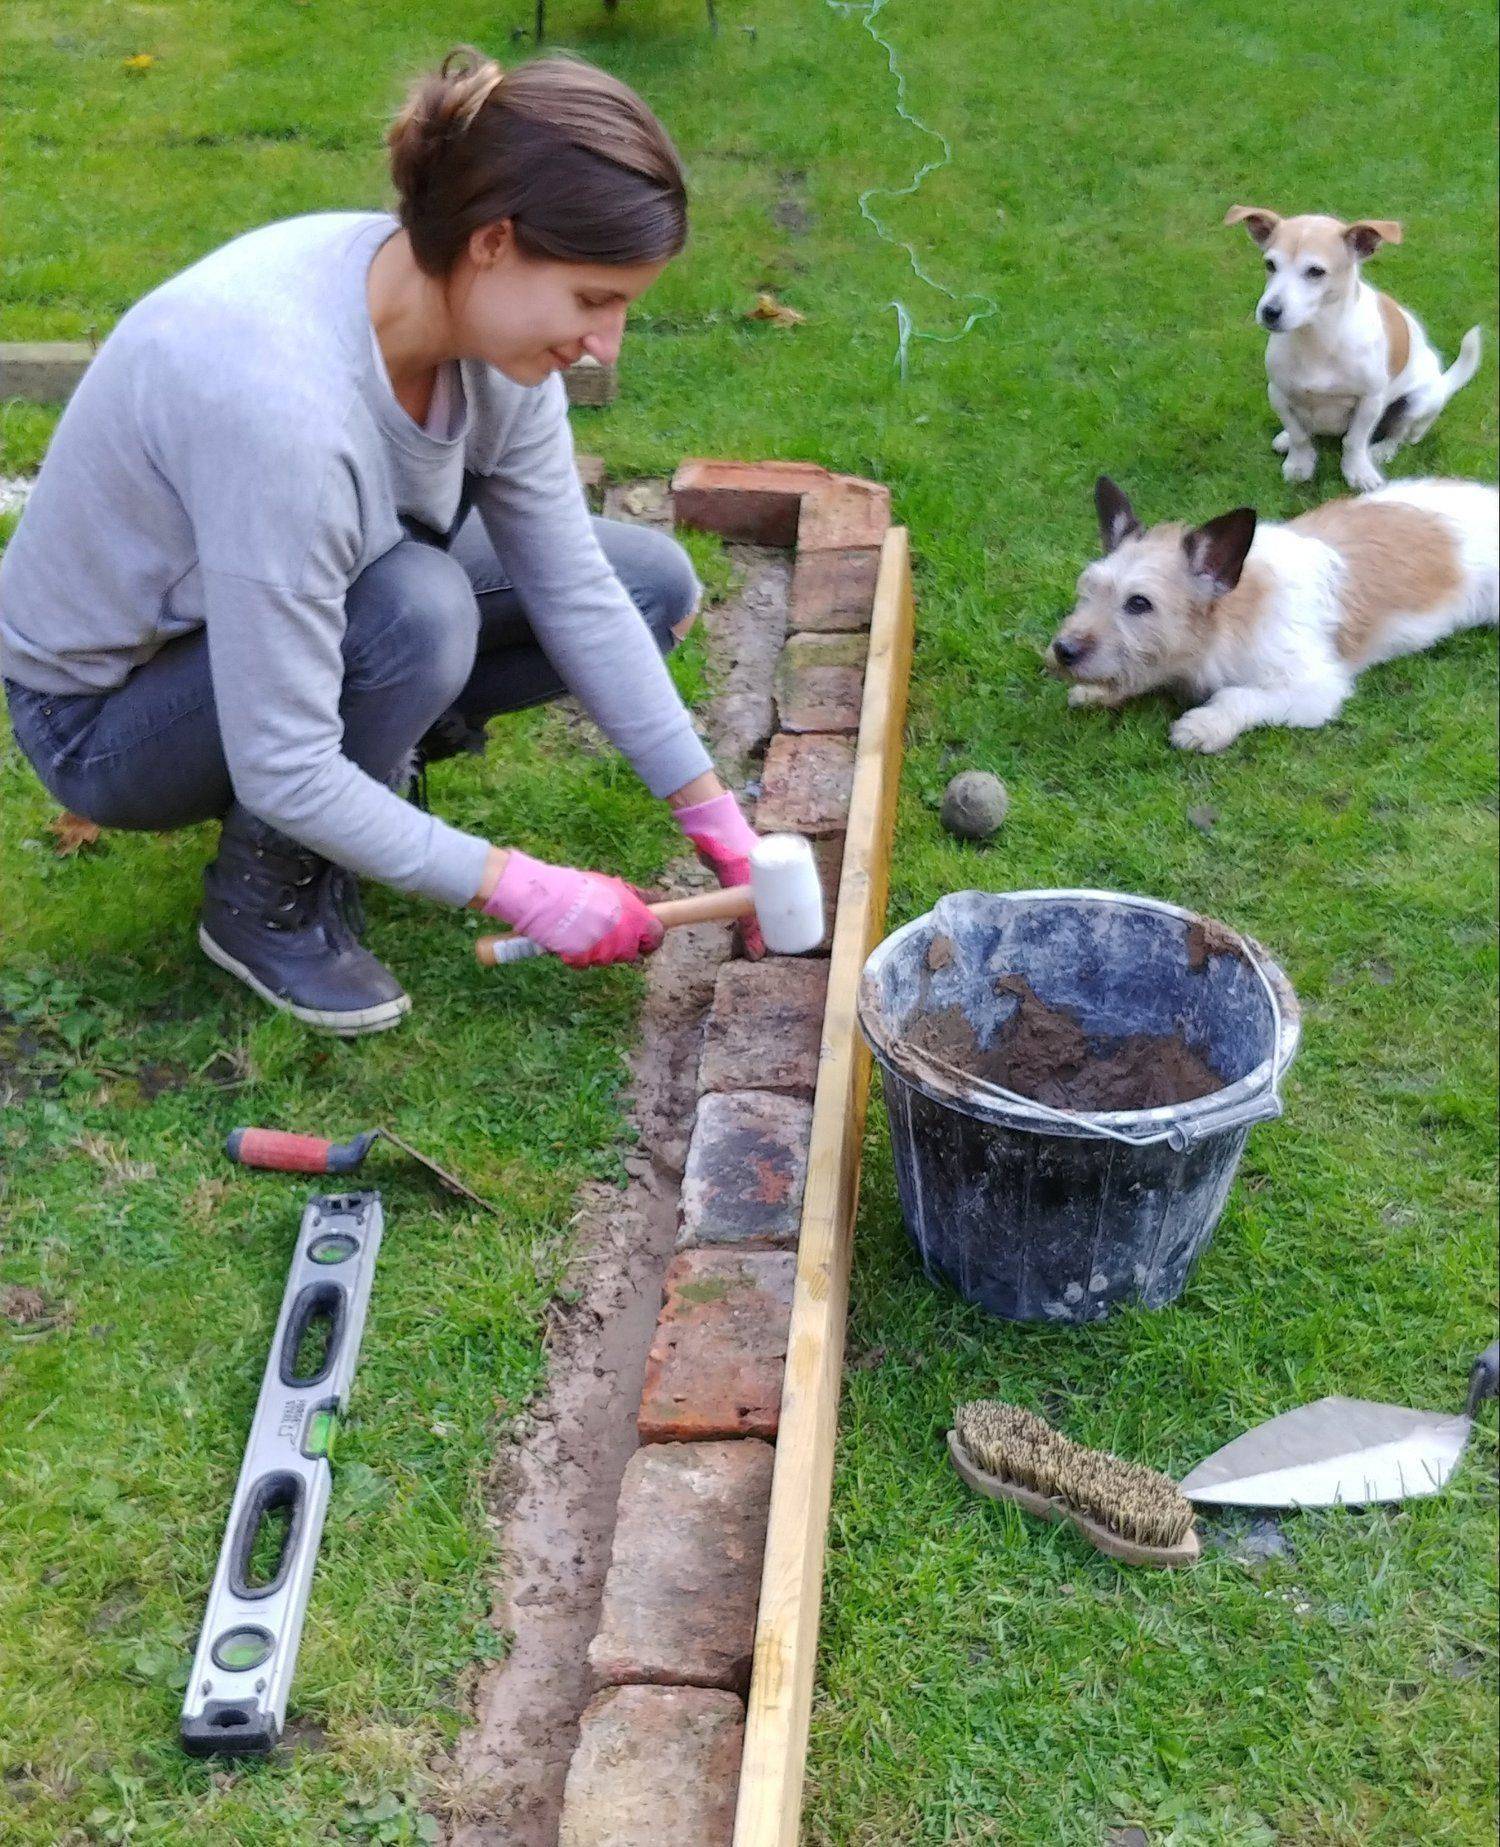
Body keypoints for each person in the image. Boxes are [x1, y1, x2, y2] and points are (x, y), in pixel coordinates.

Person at [0, 47, 762, 1035]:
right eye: (592, 299)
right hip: (106, 716)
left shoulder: (485, 341)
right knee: (416, 613)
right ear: (494, 242)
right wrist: (519, 885)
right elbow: (283, 764)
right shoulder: (283, 407)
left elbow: (571, 586)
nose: (606, 343)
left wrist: (712, 815)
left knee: (646, 583)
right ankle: (262, 902)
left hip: (314, 589)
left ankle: (377, 759)